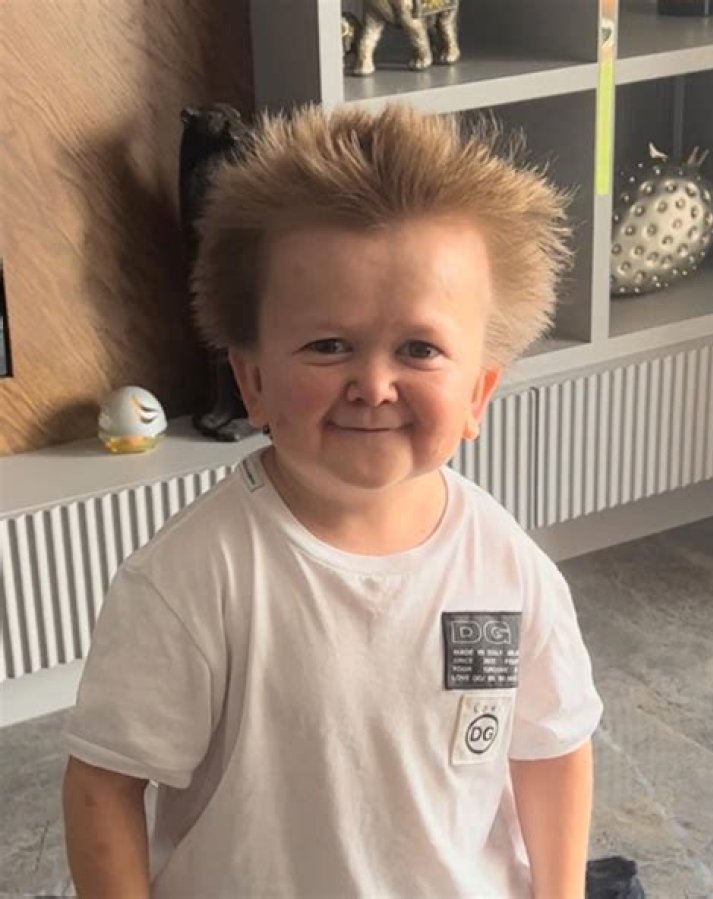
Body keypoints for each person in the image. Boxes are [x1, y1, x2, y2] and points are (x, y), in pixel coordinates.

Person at [62, 103, 604, 899]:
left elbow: (551, 747)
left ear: (479, 392)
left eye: (418, 348)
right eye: (328, 344)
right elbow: (104, 785)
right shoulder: (192, 579)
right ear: (252, 381)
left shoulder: (507, 567)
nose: (374, 384)